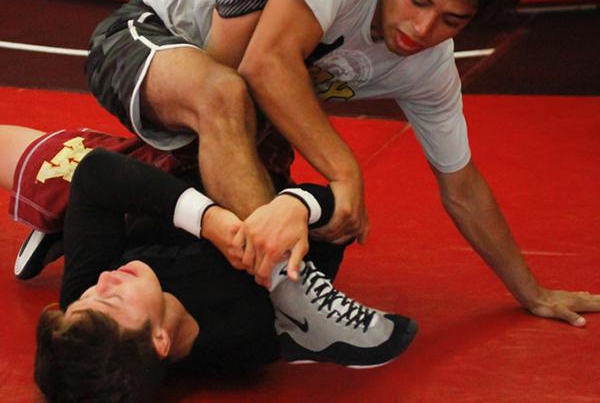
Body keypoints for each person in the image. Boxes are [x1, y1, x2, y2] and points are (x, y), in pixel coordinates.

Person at [85, 0, 600, 324]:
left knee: (312, 229)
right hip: (143, 38)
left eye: (450, 21)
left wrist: (532, 292)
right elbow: (267, 63)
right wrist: (344, 168)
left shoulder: (429, 67)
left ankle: (96, 204)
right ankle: (295, 304)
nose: (422, 30)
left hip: (232, 106)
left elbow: (461, 186)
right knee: (234, 65)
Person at [1, 124, 417, 403]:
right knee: (225, 93)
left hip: (151, 171)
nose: (104, 280)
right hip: (247, 157)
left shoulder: (89, 311)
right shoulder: (248, 322)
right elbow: (339, 223)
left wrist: (209, 220)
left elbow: (98, 175)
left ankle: (68, 228)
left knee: (54, 168)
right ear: (160, 341)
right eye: (112, 300)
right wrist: (298, 206)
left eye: (89, 294)